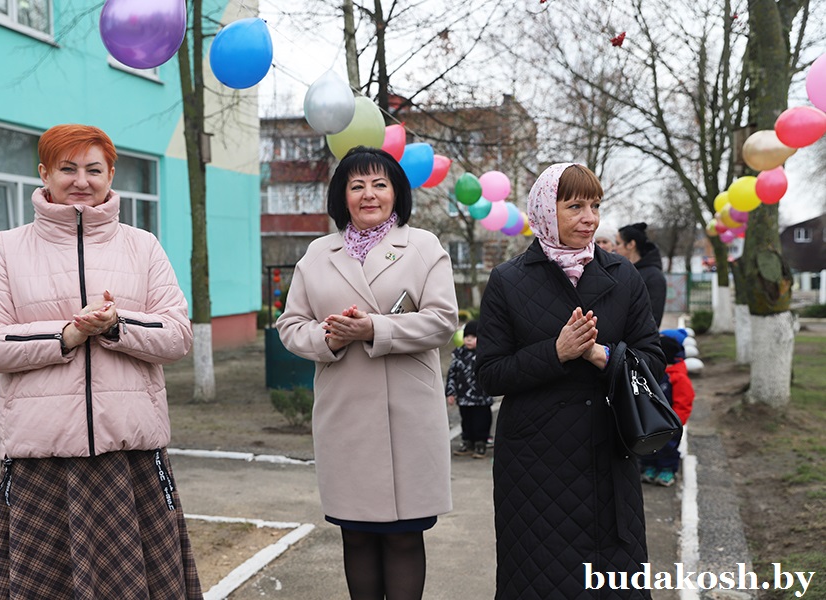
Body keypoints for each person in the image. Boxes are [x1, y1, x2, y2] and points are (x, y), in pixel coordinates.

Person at [0, 124, 201, 599]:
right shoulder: (8, 248)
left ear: (111, 174)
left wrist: (116, 326)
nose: (81, 181)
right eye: (67, 168)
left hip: (129, 459)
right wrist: (66, 334)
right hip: (41, 460)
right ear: (44, 173)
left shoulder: (143, 246)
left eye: (94, 169)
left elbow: (177, 335)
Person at [275, 146, 458, 599]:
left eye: (379, 184)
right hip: (346, 415)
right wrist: (331, 337)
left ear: (397, 193)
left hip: (408, 418)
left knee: (403, 536)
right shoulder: (318, 254)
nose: (369, 194)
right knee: (355, 534)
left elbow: (442, 322)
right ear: (342, 196)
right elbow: (290, 326)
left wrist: (374, 328)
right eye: (357, 186)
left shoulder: (423, 247)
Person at [476, 163, 665, 599]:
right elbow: (489, 373)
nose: (589, 218)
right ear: (546, 210)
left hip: (609, 451)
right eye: (575, 206)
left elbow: (653, 361)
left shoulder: (623, 275)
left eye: (595, 206)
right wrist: (555, 352)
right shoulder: (508, 280)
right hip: (534, 464)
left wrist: (602, 355)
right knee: (540, 580)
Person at [641, 334, 695, 487]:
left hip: (669, 422)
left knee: (668, 447)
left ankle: (667, 469)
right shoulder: (653, 373)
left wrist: (675, 422)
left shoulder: (677, 378)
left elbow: (684, 403)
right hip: (650, 420)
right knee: (648, 445)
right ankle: (649, 466)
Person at [446, 320, 494, 459]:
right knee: (466, 420)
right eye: (466, 336)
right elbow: (452, 374)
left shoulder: (484, 354)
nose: (468, 339)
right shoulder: (459, 355)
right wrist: (450, 392)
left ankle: (481, 443)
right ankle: (468, 442)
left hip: (481, 398)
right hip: (464, 397)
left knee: (481, 421)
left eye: (473, 337)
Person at [616, 222, 667, 328]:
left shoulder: (654, 277)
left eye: (618, 243)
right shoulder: (622, 270)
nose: (615, 248)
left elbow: (653, 319)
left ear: (631, 244)